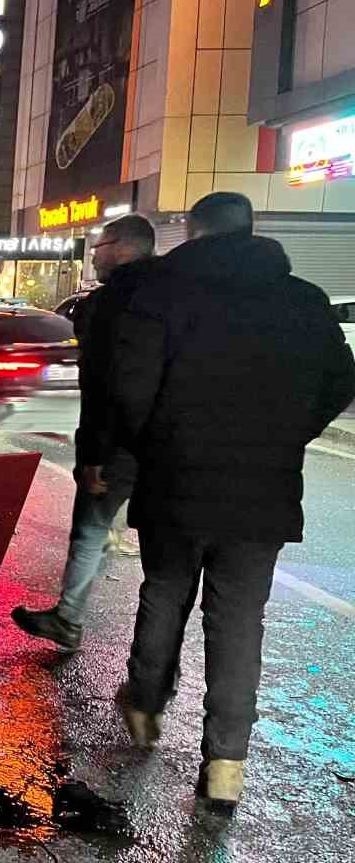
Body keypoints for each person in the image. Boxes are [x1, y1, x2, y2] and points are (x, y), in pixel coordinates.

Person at [112, 192, 355, 806]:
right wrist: (288, 433)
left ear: (195, 233)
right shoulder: (302, 300)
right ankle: (226, 762)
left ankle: (145, 705)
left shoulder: (162, 295)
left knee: (166, 589)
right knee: (241, 619)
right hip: (264, 484)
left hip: (176, 477)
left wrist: (151, 444)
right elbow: (340, 380)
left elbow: (130, 388)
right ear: (252, 230)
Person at [13, 213, 158, 651]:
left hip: (119, 445)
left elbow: (101, 384)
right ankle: (158, 658)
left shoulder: (111, 304)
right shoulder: (181, 295)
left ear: (121, 247)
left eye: (99, 246)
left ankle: (69, 618)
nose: (93, 256)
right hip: (172, 444)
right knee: (166, 552)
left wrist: (93, 454)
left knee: (92, 527)